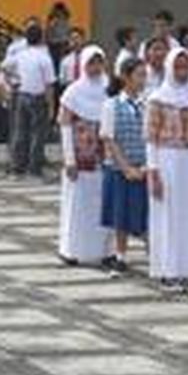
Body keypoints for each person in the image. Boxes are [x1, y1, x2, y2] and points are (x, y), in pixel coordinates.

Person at [146, 48, 188, 289]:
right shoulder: (157, 99)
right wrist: (153, 172)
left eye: (186, 67)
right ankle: (167, 270)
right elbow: (151, 139)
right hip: (167, 160)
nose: (183, 72)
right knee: (167, 214)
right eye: (178, 67)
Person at [57, 45, 111, 266]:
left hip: (103, 153)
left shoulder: (109, 88)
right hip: (79, 156)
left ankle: (105, 251)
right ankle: (72, 250)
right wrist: (69, 158)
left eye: (99, 63)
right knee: (78, 203)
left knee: (102, 201)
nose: (95, 68)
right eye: (91, 63)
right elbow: (65, 124)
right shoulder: (73, 91)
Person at [99, 58, 149, 274]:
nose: (143, 80)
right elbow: (109, 139)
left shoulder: (147, 104)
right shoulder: (111, 105)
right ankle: (120, 255)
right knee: (120, 214)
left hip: (143, 165)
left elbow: (151, 138)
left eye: (145, 75)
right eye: (139, 75)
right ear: (126, 77)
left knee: (145, 212)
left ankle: (153, 253)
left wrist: (146, 166)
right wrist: (126, 167)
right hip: (119, 168)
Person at [3, 23, 57, 178]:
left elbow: (4, 67)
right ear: (41, 38)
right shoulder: (44, 57)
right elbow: (49, 85)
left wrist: (13, 80)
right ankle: (34, 168)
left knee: (20, 132)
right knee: (37, 133)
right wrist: (51, 105)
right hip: (38, 97)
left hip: (21, 95)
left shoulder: (20, 55)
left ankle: (17, 167)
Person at [46, 1, 72, 71]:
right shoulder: (52, 20)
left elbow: (68, 33)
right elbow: (48, 35)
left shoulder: (66, 20)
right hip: (54, 47)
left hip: (63, 46)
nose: (59, 14)